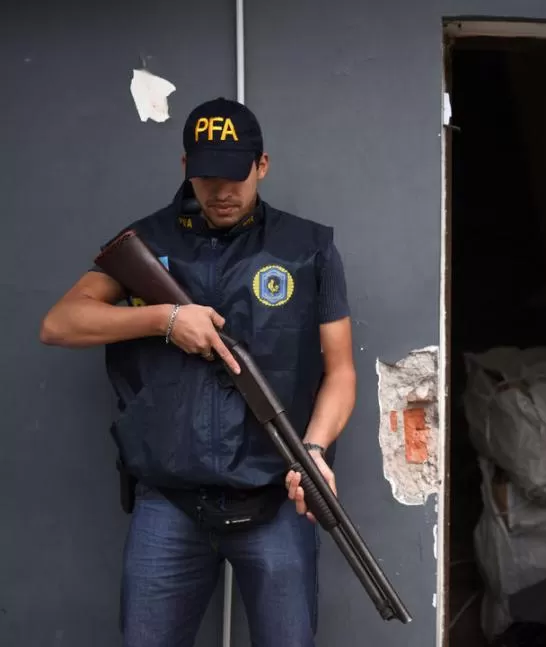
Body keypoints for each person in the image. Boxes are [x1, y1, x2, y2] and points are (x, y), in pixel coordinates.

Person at [39, 97, 356, 647]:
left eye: (236, 174)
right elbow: (59, 323)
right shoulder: (147, 242)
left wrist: (317, 453)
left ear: (262, 166)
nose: (222, 191)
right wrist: (164, 319)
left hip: (275, 495)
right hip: (169, 500)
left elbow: (341, 371)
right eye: (208, 175)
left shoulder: (309, 249)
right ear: (186, 168)